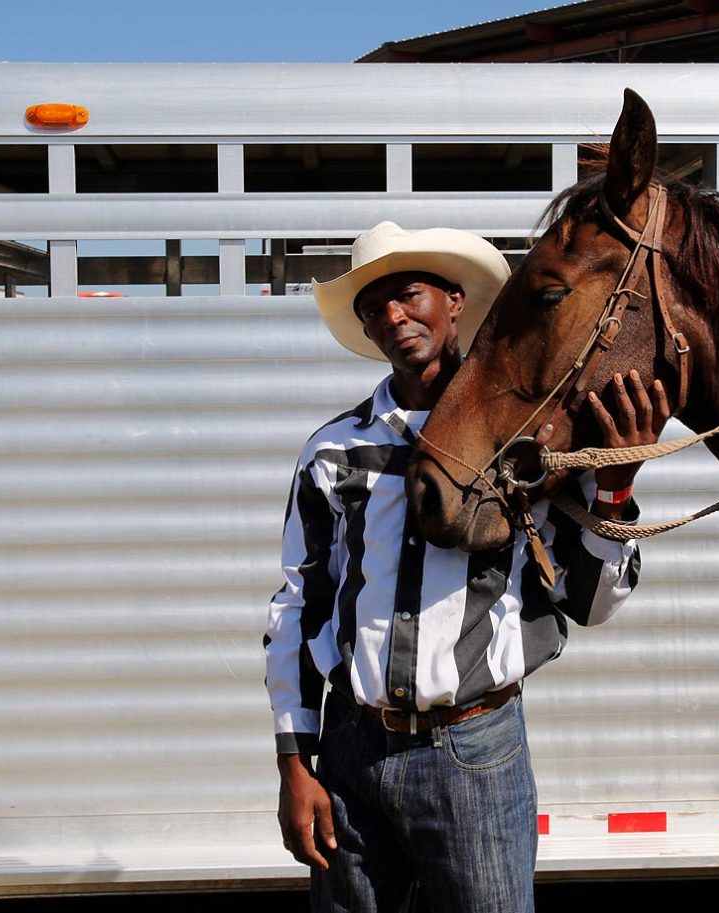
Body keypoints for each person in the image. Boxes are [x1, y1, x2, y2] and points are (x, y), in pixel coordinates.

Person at [264, 220, 670, 913]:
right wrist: (295, 762)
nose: (393, 315)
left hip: (475, 755)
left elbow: (591, 600)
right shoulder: (334, 451)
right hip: (353, 752)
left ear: (455, 301)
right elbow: (299, 605)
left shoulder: (527, 444)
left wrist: (617, 488)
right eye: (374, 306)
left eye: (409, 294)